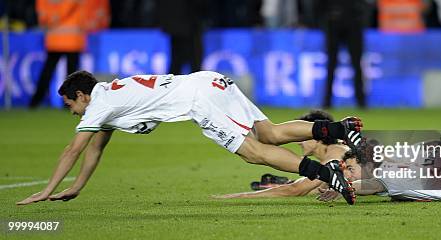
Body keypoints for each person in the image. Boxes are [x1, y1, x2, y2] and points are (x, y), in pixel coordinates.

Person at [16, 70, 365, 206]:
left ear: (81, 95)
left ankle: (324, 174)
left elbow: (72, 149)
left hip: (199, 101)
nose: (72, 113)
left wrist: (47, 190)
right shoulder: (108, 100)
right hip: (210, 80)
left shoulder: (98, 105)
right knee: (269, 133)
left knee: (253, 152)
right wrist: (78, 186)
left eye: (69, 105)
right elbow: (94, 151)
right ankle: (339, 128)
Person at [215, 110, 349, 199]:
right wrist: (287, 184)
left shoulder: (335, 154)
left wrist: (243, 196)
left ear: (316, 136)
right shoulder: (338, 149)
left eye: (302, 137)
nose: (298, 142)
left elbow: (296, 190)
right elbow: (316, 188)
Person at [29, 0, 109, 108]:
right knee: (71, 75)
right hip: (72, 39)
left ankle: (35, 102)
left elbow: (42, 15)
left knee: (47, 72)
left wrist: (51, 19)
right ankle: (69, 103)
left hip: (54, 38)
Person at [319, 0, 367, 108]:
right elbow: (319, 6)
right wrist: (324, 21)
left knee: (356, 64)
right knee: (331, 65)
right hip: (333, 23)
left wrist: (360, 18)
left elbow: (365, 5)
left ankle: (361, 101)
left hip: (353, 23)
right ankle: (327, 101)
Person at [156, 0, 205, 75]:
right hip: (188, 21)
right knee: (192, 56)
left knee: (177, 56)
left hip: (175, 21)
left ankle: (173, 80)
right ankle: (194, 78)